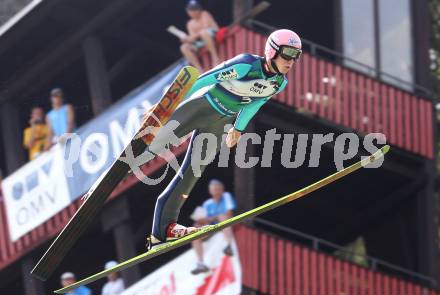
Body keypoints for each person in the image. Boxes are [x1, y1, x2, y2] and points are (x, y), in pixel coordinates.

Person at [146, 29, 302, 249]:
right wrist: (168, 104)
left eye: (296, 55)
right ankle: (113, 172)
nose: (291, 61)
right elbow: (204, 80)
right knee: (153, 145)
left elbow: (255, 103)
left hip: (220, 122)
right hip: (201, 107)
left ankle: (162, 232)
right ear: (272, 50)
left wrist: (237, 129)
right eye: (288, 54)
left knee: (193, 172)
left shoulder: (279, 83)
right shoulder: (245, 64)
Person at [190, 179, 236, 275]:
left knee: (223, 217)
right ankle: (200, 263)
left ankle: (229, 246)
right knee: (194, 231)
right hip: (213, 227)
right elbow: (205, 219)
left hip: (226, 223)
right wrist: (201, 221)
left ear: (222, 189)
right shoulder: (207, 203)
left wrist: (212, 218)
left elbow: (229, 213)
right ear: (210, 191)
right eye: (213, 189)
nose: (216, 191)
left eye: (217, 188)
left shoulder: (226, 196)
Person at [180, 0, 220, 72]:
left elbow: (206, 27)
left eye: (195, 9)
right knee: (184, 47)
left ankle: (215, 58)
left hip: (212, 35)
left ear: (199, 9)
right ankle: (199, 69)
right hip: (201, 41)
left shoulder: (205, 14)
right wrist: (187, 39)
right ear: (187, 11)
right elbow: (193, 39)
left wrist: (191, 37)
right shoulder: (189, 23)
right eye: (191, 10)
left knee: (203, 32)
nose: (194, 12)